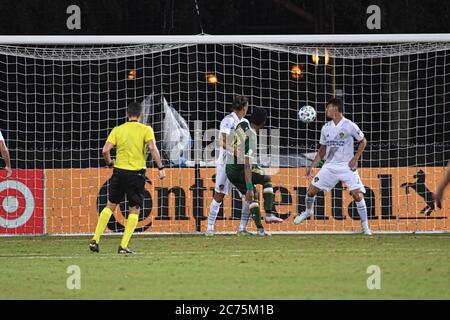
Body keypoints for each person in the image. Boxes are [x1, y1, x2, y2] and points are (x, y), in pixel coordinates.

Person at [89, 102, 166, 254]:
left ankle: (95, 239)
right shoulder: (146, 129)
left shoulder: (118, 129)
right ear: (141, 115)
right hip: (136, 174)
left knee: (110, 205)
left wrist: (110, 162)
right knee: (135, 209)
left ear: (126, 114)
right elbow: (152, 148)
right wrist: (161, 167)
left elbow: (105, 150)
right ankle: (123, 246)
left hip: (119, 172)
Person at [293, 98, 372, 235]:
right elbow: (322, 150)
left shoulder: (349, 125)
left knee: (357, 195)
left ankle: (365, 227)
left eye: (328, 107)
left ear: (335, 109)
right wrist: (313, 166)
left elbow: (363, 141)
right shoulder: (326, 127)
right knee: (311, 191)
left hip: (346, 166)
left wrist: (355, 158)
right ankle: (307, 211)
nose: (326, 110)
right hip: (329, 166)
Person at [226, 107, 283, 236]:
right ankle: (268, 213)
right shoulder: (252, 138)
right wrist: (250, 187)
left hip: (229, 169)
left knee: (253, 196)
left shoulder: (242, 123)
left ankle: (257, 230)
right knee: (266, 179)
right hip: (239, 169)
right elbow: (247, 166)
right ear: (264, 123)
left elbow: (232, 143)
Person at [206, 96, 249, 235]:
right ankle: (210, 228)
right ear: (243, 107)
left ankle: (242, 228)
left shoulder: (245, 122)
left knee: (248, 194)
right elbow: (222, 141)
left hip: (239, 164)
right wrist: (237, 152)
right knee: (219, 194)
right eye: (247, 106)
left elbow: (245, 143)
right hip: (225, 163)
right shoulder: (228, 120)